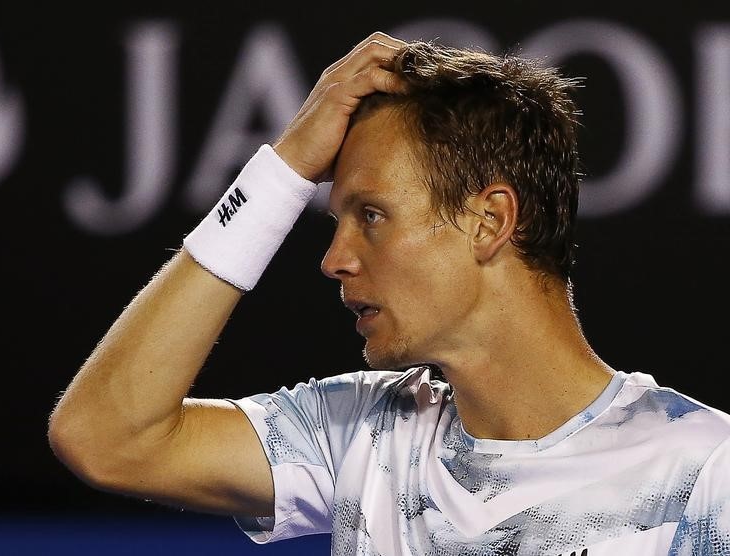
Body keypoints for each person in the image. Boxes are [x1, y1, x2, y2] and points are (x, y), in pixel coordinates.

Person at [48, 31, 730, 555]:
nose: (334, 260)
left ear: (489, 221)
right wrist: (281, 170)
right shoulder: (358, 436)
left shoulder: (708, 471)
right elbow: (107, 437)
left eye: (371, 216)